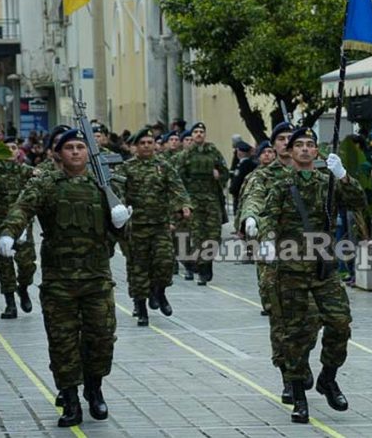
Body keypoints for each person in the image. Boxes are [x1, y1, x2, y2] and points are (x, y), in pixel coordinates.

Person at [0, 130, 131, 427]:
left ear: (88, 152)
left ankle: (94, 389)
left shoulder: (105, 186)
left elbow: (122, 232)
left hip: (97, 278)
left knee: (102, 338)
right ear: (58, 154)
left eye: (80, 147)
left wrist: (122, 222)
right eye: (68, 147)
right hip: (60, 280)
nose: (75, 152)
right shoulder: (46, 183)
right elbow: (22, 208)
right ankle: (70, 398)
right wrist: (8, 232)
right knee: (63, 342)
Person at [253, 128, 363, 424]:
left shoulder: (328, 181)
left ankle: (328, 377)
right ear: (289, 152)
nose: (304, 149)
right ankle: (299, 397)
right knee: (296, 335)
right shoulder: (281, 184)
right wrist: (267, 240)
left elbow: (357, 201)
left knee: (340, 323)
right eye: (298, 145)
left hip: (323, 266)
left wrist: (343, 176)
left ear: (317, 152)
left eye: (310, 145)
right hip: (290, 270)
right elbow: (268, 216)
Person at [237, 123, 319, 403]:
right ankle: (288, 374)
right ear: (274, 146)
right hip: (274, 260)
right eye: (282, 139)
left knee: (312, 318)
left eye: (291, 139)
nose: (287, 143)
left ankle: (301, 360)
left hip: (308, 258)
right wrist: (252, 220)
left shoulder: (310, 175)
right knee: (282, 320)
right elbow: (252, 201)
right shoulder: (263, 176)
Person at [116, 128, 191, 326]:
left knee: (165, 263)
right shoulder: (126, 168)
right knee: (138, 269)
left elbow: (177, 188)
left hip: (160, 225)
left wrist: (183, 205)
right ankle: (141, 309)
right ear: (135, 147)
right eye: (142, 143)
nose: (147, 146)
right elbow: (117, 191)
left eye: (150, 142)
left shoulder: (164, 167)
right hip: (137, 227)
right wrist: (120, 210)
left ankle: (160, 292)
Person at [0, 140, 38, 319]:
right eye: (7, 148)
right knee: (5, 267)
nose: (11, 151)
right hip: (1, 227)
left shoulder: (27, 172)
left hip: (22, 228)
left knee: (27, 265)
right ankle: (10, 304)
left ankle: (24, 288)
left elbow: (43, 182)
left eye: (14, 148)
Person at [175, 122, 228, 285]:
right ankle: (200, 268)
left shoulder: (213, 152)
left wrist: (219, 175)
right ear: (191, 136)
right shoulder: (186, 155)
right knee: (197, 236)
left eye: (201, 131)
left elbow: (225, 172)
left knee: (213, 236)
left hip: (211, 201)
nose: (199, 134)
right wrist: (182, 202)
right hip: (194, 201)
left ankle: (207, 263)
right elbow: (178, 179)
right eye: (196, 132)